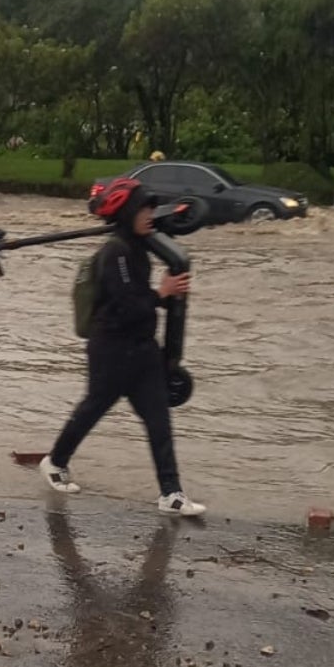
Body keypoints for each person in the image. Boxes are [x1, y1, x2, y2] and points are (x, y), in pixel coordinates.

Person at [40, 178, 205, 516]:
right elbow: (128, 303)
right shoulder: (116, 253)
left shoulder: (139, 245)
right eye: (144, 208)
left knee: (159, 421)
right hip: (112, 349)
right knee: (92, 409)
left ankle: (171, 494)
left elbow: (142, 296)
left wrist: (185, 216)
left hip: (142, 350)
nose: (150, 215)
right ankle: (55, 462)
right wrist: (163, 293)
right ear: (128, 213)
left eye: (151, 208)